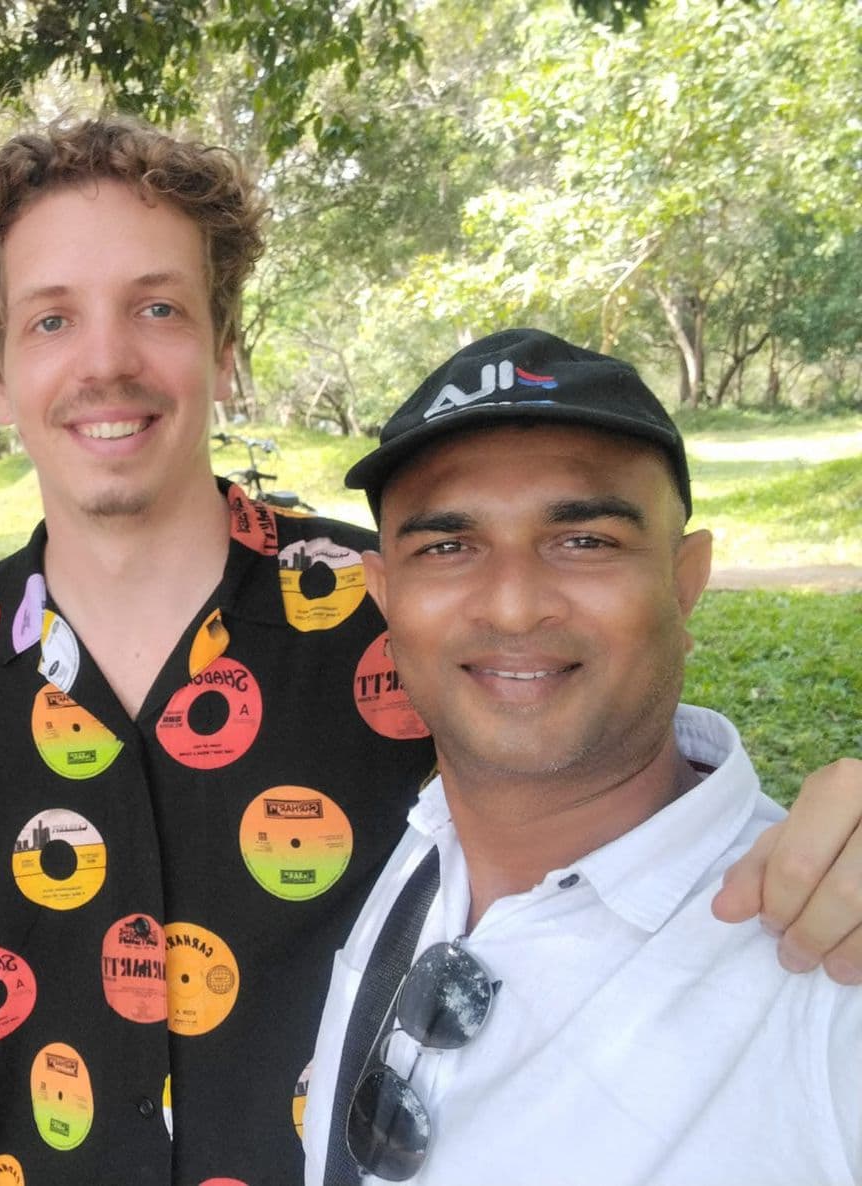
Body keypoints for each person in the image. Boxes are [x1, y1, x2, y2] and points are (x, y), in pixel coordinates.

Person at [0, 117, 862, 1186]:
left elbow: (609, 787)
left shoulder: (400, 615)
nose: (106, 361)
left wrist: (824, 843)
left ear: (224, 350)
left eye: (158, 307)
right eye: (52, 319)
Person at [302, 329, 861, 1186]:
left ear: (685, 580)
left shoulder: (823, 968)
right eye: (446, 547)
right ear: (387, 597)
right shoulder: (423, 840)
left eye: (585, 541)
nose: (513, 607)